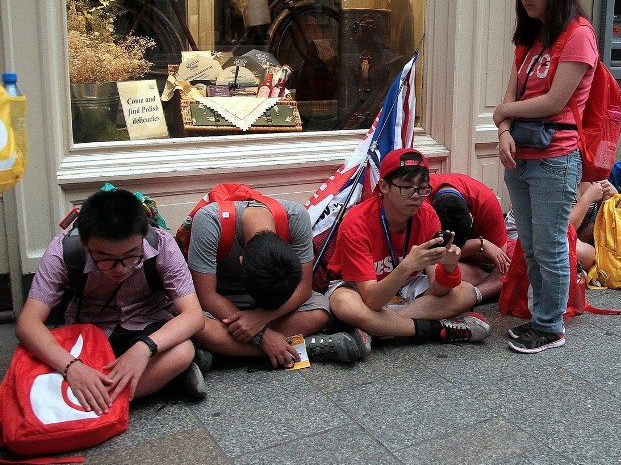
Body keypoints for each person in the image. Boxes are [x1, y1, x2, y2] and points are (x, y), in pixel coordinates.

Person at [16, 188, 207, 414]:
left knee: (183, 350)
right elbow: (28, 324)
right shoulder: (62, 250)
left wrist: (144, 348)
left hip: (147, 326)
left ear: (143, 235)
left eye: (131, 256)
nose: (121, 268)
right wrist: (72, 368)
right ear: (85, 245)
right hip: (89, 332)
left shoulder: (162, 244)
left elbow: (193, 316)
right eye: (106, 260)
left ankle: (85, 404)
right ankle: (153, 385)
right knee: (38, 355)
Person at [494, 0, 596, 353]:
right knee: (532, 243)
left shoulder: (579, 35)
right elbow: (511, 94)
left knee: (551, 243)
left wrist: (504, 112)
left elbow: (555, 102)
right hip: (519, 155)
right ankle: (542, 316)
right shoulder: (532, 38)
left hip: (555, 158)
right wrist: (503, 129)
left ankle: (550, 325)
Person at [327, 148, 491, 343]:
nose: (416, 196)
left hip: (405, 291)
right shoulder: (356, 222)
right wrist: (407, 266)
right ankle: (432, 329)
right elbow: (372, 300)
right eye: (407, 187)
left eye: (423, 189)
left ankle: (379, 330)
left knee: (465, 291)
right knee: (343, 304)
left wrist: (448, 267)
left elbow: (438, 290)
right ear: (384, 187)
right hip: (360, 289)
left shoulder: (427, 214)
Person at [187, 193, 369, 369]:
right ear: (241, 261)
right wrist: (263, 335)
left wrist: (260, 318)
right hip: (225, 302)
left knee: (321, 311)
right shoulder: (210, 221)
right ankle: (303, 347)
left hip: (275, 305)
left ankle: (224, 352)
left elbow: (304, 287)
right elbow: (206, 295)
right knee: (198, 326)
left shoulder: (296, 217)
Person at [427, 173, 510, 303]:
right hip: (438, 261)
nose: (454, 249)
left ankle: (474, 294)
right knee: (432, 266)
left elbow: (498, 256)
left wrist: (455, 252)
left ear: (472, 218)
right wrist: (479, 244)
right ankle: (478, 292)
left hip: (470, 260)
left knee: (510, 267)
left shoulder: (486, 201)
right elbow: (428, 255)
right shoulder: (420, 199)